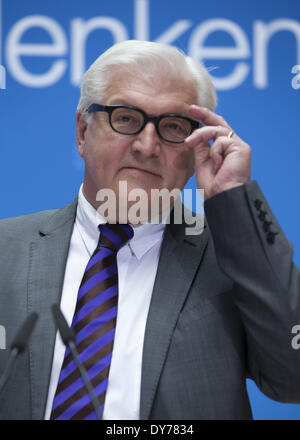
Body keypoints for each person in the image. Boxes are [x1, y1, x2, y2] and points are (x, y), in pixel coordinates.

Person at [0, 40, 299, 420]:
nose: (147, 145)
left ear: (197, 149)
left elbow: (294, 377)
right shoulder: (4, 250)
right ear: (81, 131)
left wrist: (234, 202)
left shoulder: (231, 258)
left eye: (173, 127)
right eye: (125, 118)